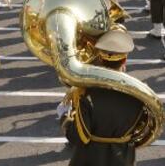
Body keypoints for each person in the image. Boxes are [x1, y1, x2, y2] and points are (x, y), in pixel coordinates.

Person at [62, 29, 146, 165]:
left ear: (100, 59)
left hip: (88, 160)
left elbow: (77, 137)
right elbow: (143, 130)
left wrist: (65, 117)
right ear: (125, 60)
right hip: (122, 159)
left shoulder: (86, 94)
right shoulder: (139, 95)